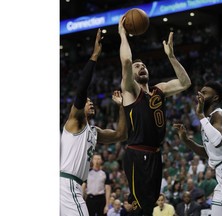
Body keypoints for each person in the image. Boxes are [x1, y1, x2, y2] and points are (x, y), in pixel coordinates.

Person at [118, 16, 191, 216]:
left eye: (143, 66)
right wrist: (123, 35)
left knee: (149, 207)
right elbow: (126, 60)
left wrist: (172, 57)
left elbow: (185, 83)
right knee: (139, 208)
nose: (141, 67)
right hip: (137, 152)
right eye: (137, 66)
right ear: (130, 75)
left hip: (155, 154)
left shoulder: (159, 90)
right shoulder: (131, 91)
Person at [60, 29, 127, 216]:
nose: (90, 101)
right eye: (87, 100)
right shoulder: (75, 122)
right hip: (66, 184)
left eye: (91, 100)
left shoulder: (93, 131)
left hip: (69, 184)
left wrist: (121, 107)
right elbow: (81, 90)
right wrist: (95, 55)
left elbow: (121, 134)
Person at [174, 81, 222, 216]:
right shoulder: (207, 120)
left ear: (215, 98)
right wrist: (187, 141)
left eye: (204, 92)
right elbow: (208, 152)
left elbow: (217, 141)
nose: (200, 95)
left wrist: (200, 116)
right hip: (220, 176)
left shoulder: (219, 114)